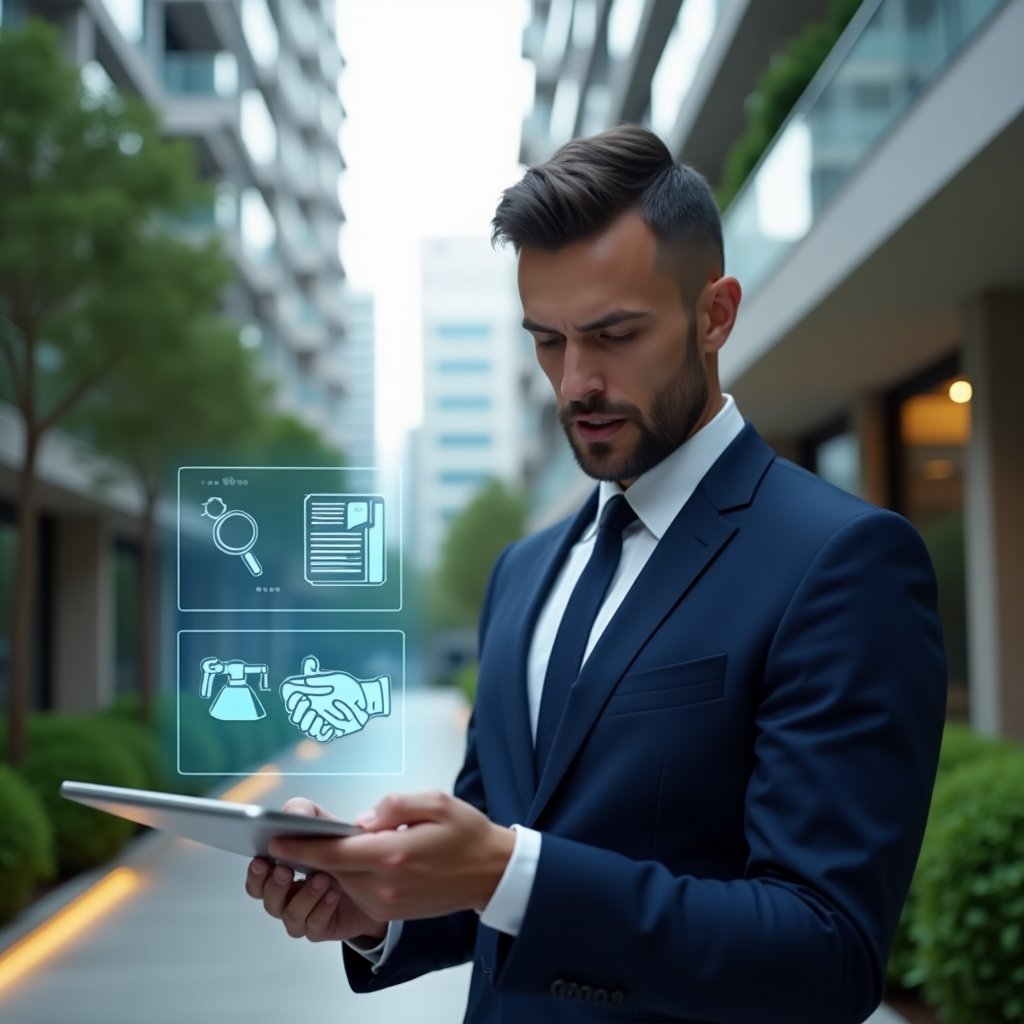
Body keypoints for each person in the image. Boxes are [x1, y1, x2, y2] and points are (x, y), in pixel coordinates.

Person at [245, 125, 947, 1023]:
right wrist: (377, 909)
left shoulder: (842, 563)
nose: (575, 381)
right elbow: (494, 871)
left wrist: (507, 872)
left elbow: (826, 952)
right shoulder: (523, 572)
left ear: (715, 314)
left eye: (614, 335)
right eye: (547, 340)